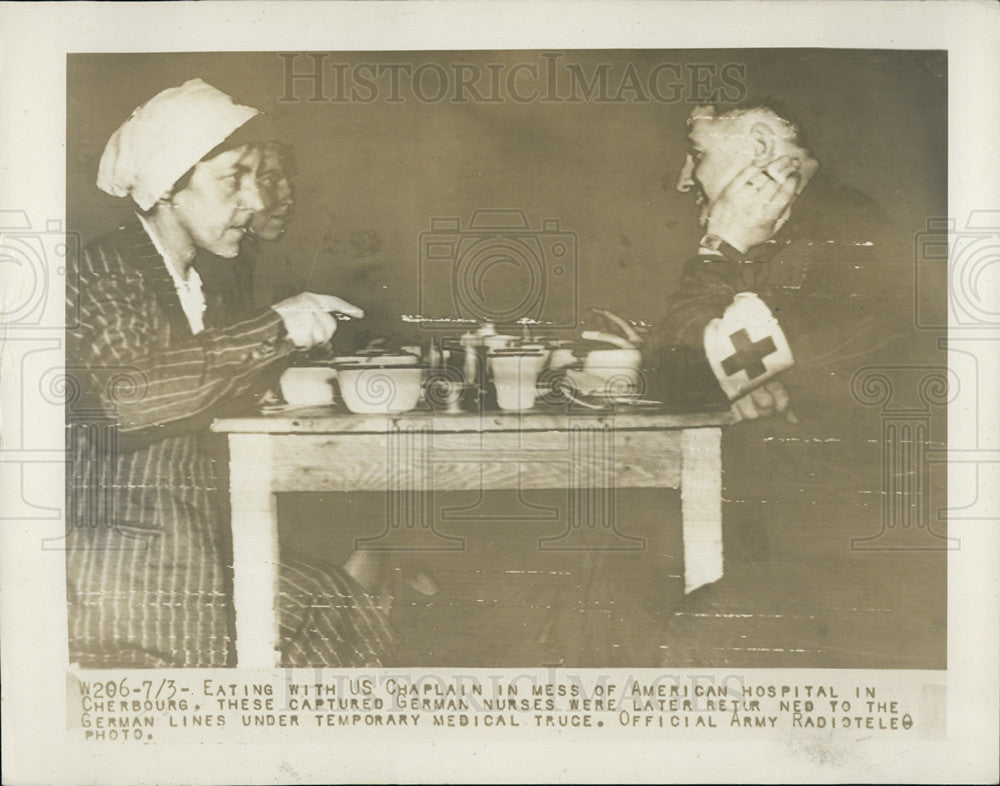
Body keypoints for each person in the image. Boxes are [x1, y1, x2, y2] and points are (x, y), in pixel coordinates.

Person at [65, 78, 398, 668]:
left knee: (329, 596)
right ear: (168, 186)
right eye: (232, 180)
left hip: (184, 547)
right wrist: (277, 327)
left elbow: (194, 380)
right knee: (323, 613)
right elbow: (128, 398)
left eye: (255, 178)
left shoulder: (187, 280)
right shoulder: (109, 269)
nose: (256, 201)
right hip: (123, 570)